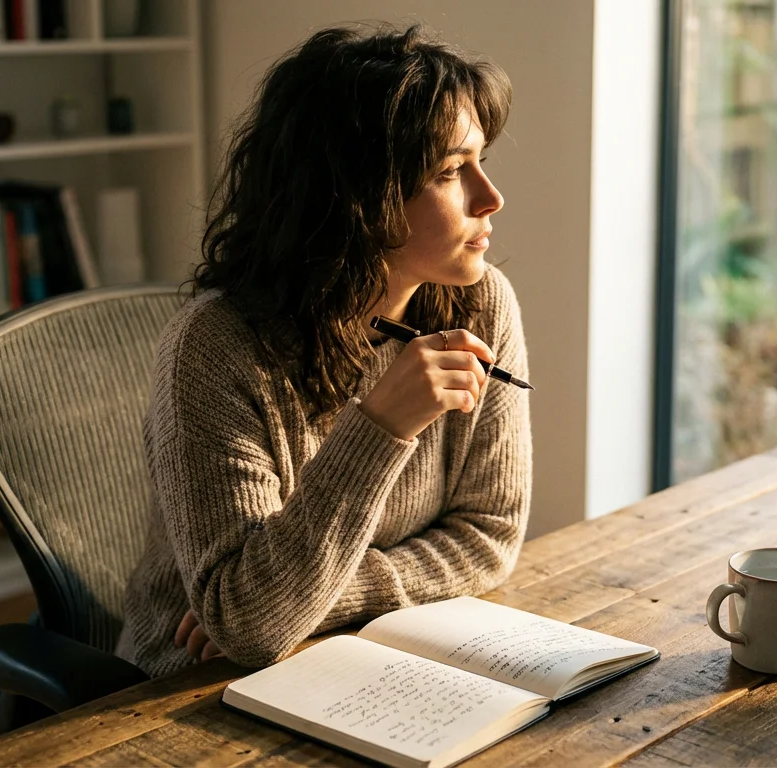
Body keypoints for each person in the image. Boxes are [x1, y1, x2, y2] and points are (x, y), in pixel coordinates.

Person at [114, 23, 532, 675]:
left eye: (483, 160)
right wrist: (382, 426)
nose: (490, 197)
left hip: (370, 651)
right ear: (358, 199)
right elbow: (248, 627)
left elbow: (489, 537)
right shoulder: (217, 349)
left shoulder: (481, 304)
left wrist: (327, 599)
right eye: (452, 171)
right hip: (191, 684)